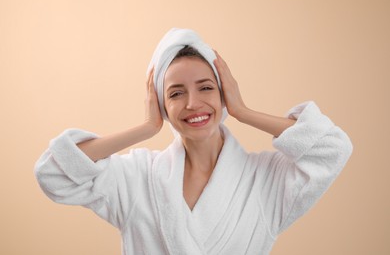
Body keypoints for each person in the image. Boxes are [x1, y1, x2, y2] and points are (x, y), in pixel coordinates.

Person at [34, 28, 353, 255]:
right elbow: (54, 174)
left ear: (224, 92)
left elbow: (332, 150)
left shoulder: (266, 179)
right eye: (175, 93)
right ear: (160, 103)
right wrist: (147, 128)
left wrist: (243, 111)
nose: (192, 103)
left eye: (205, 88)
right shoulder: (137, 177)